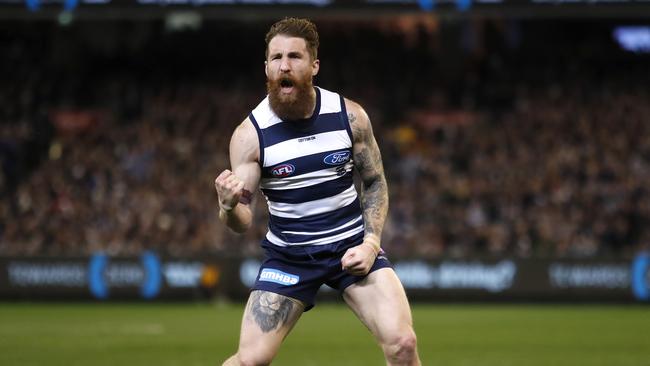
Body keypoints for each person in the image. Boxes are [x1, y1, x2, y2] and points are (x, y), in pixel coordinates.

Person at [214, 17, 421, 366]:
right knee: (249, 361)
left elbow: (374, 182)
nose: (284, 65)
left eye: (294, 56)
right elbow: (241, 221)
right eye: (276, 57)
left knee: (403, 344)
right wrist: (228, 206)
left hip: (350, 244)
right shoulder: (250, 137)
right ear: (265, 67)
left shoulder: (349, 117)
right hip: (289, 256)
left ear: (314, 65)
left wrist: (371, 244)